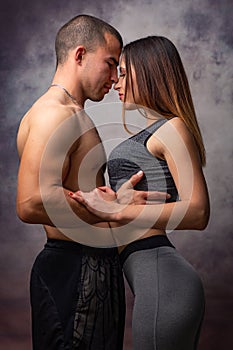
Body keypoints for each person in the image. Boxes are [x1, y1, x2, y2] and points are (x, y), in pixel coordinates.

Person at [17, 15, 166, 350]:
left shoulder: (72, 112)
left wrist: (112, 200)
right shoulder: (55, 114)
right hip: (75, 270)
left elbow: (72, 193)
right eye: (110, 64)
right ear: (80, 55)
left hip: (88, 270)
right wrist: (112, 208)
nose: (115, 79)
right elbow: (31, 202)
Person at [70, 36, 210, 350]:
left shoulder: (172, 128)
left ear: (147, 71)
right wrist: (116, 201)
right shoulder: (156, 130)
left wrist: (120, 211)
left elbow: (199, 212)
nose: (115, 82)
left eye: (122, 72)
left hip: (165, 281)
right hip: (152, 278)